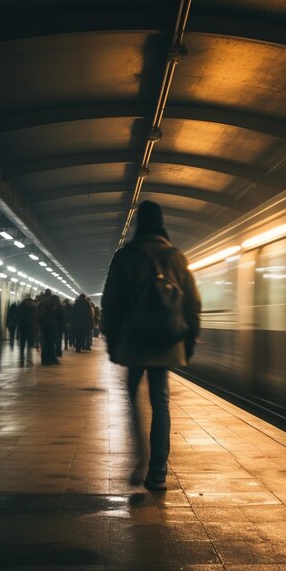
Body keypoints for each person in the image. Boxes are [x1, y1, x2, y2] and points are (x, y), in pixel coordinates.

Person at [101, 200, 201, 491]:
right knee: (161, 403)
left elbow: (111, 303)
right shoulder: (176, 257)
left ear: (138, 226)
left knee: (132, 399)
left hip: (134, 341)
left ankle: (140, 457)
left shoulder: (126, 256)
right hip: (167, 342)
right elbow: (193, 303)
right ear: (162, 224)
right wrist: (189, 340)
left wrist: (111, 340)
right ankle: (157, 472)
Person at [37, 289, 60, 365]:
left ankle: (44, 360)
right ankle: (52, 359)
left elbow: (38, 315)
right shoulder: (52, 301)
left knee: (45, 343)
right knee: (51, 343)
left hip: (43, 325)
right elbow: (55, 312)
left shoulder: (41, 302)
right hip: (52, 325)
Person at [17, 294, 37, 366]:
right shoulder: (33, 308)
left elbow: (18, 319)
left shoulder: (20, 307)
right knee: (29, 346)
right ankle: (29, 361)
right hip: (30, 329)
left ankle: (21, 361)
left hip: (22, 329)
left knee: (22, 346)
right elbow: (35, 319)